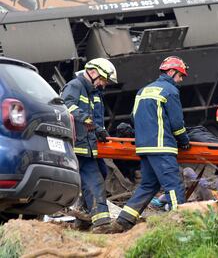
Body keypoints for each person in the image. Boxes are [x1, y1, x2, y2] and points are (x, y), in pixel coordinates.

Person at [106, 56, 191, 233]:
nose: (181, 80)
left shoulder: (142, 91)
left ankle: (123, 221)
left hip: (144, 147)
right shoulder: (170, 91)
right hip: (161, 147)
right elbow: (177, 123)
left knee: (148, 186)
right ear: (171, 72)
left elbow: (133, 117)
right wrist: (184, 141)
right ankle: (181, 225)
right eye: (180, 75)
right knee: (173, 185)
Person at [61, 58, 117, 232]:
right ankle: (101, 223)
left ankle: (83, 216)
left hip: (89, 145)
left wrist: (100, 131)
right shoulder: (75, 86)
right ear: (92, 73)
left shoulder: (94, 93)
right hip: (78, 144)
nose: (103, 84)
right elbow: (66, 105)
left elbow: (95, 119)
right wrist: (88, 122)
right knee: (94, 179)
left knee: (102, 171)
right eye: (102, 79)